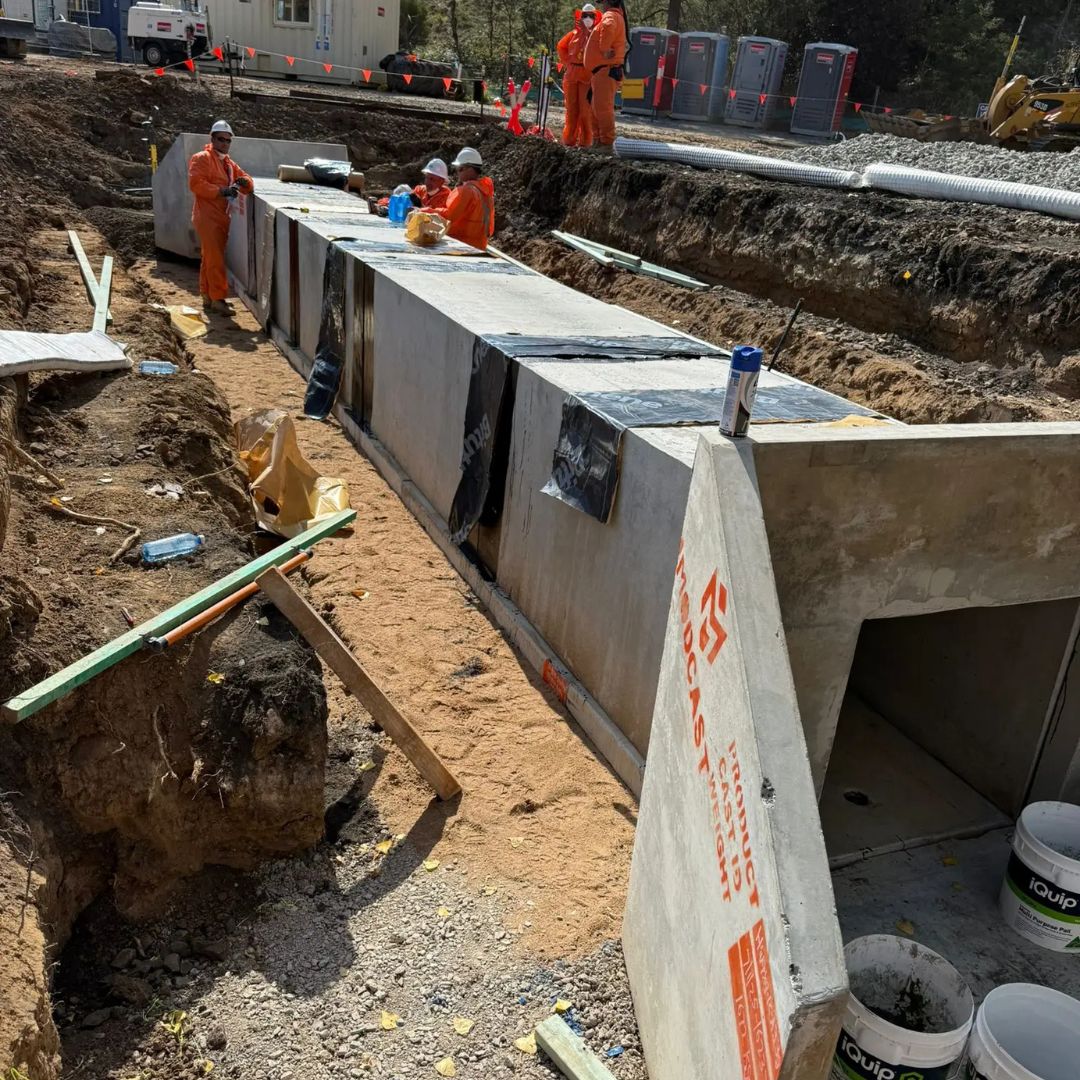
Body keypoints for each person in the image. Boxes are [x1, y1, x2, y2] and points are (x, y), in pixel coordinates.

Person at [187, 119, 253, 315]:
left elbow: (248, 181)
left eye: (228, 140)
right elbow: (196, 184)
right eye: (221, 139)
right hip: (207, 216)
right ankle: (218, 299)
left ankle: (207, 295)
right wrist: (221, 191)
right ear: (212, 139)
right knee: (215, 258)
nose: (224, 143)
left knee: (209, 257)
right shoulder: (202, 158)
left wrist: (244, 182)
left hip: (222, 217)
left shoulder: (228, 164)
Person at [584, 0, 628, 153]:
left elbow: (608, 27)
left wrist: (604, 48)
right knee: (596, 108)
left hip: (606, 70)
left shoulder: (610, 16)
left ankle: (607, 143)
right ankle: (598, 141)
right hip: (602, 72)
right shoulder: (616, 16)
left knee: (602, 108)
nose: (601, 5)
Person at [437, 148, 495, 251]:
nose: (457, 173)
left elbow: (449, 215)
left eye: (460, 169)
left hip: (461, 246)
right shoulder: (484, 192)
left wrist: (426, 211)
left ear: (470, 169)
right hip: (479, 246)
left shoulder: (467, 191)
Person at [557, 4, 597, 148]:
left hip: (587, 76)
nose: (588, 18)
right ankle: (569, 140)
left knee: (585, 111)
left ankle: (585, 142)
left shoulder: (597, 34)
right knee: (572, 110)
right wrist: (567, 61)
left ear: (595, 17)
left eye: (591, 16)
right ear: (580, 17)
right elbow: (561, 46)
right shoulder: (572, 34)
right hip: (571, 75)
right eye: (585, 15)